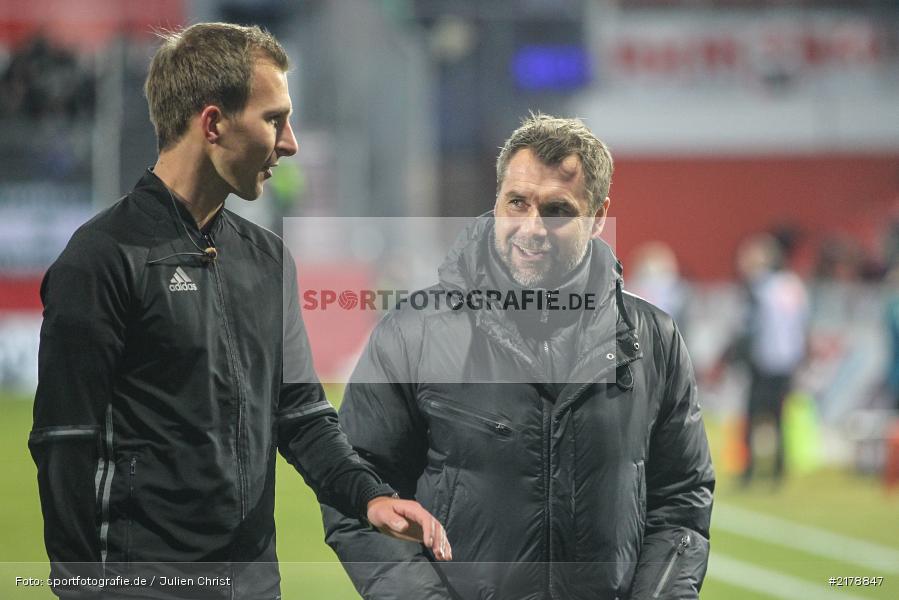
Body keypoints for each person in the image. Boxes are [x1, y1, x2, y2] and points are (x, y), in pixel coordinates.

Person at [29, 23, 448, 600]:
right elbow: (65, 442)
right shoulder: (101, 259)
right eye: (274, 119)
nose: (290, 143)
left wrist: (369, 495)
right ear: (213, 124)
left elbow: (301, 415)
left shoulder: (267, 258)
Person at [321, 114, 715, 599]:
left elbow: (681, 503)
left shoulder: (654, 340)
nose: (532, 228)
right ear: (497, 201)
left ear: (598, 217)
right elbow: (356, 490)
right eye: (517, 202)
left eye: (557, 210)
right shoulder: (414, 333)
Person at [734, 233, 809, 487]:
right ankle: (778, 467)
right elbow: (801, 322)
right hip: (787, 360)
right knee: (778, 416)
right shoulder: (792, 284)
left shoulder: (758, 287)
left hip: (763, 358)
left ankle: (750, 468)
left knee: (753, 415)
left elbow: (748, 325)